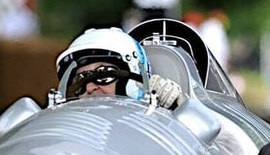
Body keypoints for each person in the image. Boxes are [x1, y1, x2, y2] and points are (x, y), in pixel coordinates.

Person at [55, 27, 183, 108]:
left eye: (103, 75)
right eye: (80, 79)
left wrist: (179, 107)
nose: (89, 88)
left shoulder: (157, 129)